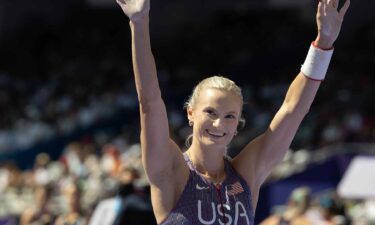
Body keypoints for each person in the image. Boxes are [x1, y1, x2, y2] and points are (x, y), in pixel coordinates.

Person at [115, 0, 350, 224]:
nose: (219, 124)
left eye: (230, 116)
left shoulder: (246, 174)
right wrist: (139, 23)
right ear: (190, 112)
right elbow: (150, 102)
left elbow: (293, 110)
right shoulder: (170, 170)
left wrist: (323, 44)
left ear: (238, 124)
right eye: (210, 112)